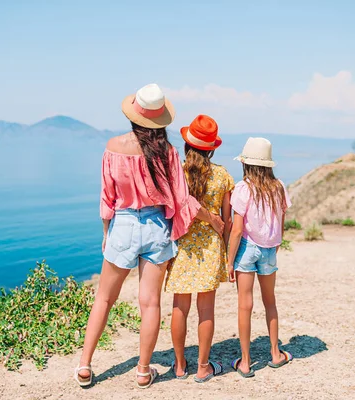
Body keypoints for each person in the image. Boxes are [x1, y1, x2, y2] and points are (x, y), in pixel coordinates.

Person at [74, 84, 224, 389]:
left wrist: (107, 233)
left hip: (124, 225)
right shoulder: (166, 152)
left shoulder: (113, 146)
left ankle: (85, 365)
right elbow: (182, 198)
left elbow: (107, 198)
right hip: (156, 227)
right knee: (150, 304)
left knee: (103, 298)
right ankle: (143, 370)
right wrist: (212, 219)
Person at [164, 115, 234, 383]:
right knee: (206, 310)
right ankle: (203, 366)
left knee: (179, 308)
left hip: (182, 247)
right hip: (211, 248)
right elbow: (226, 222)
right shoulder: (223, 176)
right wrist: (229, 256)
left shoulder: (177, 175)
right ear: (212, 148)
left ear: (186, 146)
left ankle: (180, 365)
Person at [227, 137, 293, 378]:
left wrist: (229, 261)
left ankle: (245, 362)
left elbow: (236, 230)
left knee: (245, 305)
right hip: (269, 249)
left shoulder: (243, 189)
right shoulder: (279, 187)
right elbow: (281, 221)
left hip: (246, 248)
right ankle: (275, 354)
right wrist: (276, 245)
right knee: (270, 302)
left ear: (246, 164)